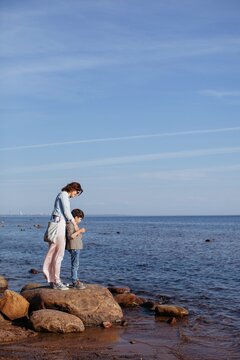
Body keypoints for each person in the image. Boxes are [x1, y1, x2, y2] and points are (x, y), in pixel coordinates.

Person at [43, 182, 83, 290]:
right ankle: (56, 281)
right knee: (58, 255)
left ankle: (53, 281)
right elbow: (66, 212)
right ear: (73, 188)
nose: (76, 195)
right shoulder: (64, 195)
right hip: (59, 226)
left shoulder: (61, 195)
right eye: (77, 192)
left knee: (53, 253)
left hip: (56, 224)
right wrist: (75, 224)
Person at [66, 208, 86, 289]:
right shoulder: (70, 224)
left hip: (76, 247)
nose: (80, 220)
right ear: (76, 217)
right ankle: (74, 280)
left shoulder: (73, 224)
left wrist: (78, 230)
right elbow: (71, 236)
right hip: (74, 247)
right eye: (80, 218)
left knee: (76, 264)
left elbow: (77, 236)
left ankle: (75, 279)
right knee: (75, 264)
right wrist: (80, 230)